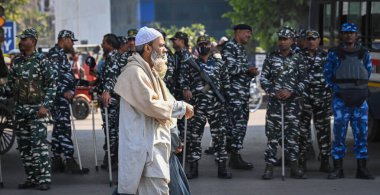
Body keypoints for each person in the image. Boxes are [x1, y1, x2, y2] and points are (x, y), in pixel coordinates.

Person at [114, 26, 194, 194]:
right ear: (148, 48)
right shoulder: (135, 72)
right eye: (161, 45)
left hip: (154, 150)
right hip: (147, 154)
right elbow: (152, 105)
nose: (165, 50)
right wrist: (180, 107)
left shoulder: (148, 70)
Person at [0, 28, 57, 190]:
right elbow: (10, 87)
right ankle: (32, 178)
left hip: (37, 110)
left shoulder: (42, 60)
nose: (21, 42)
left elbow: (52, 85)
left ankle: (44, 179)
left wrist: (45, 106)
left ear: (33, 41)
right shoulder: (17, 62)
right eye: (21, 39)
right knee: (24, 147)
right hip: (20, 110)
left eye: (24, 39)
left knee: (38, 145)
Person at [324, 22, 374, 180]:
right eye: (345, 32)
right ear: (341, 35)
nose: (349, 35)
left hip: (360, 100)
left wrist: (360, 91)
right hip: (341, 101)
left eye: (351, 33)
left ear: (356, 35)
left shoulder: (364, 53)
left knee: (361, 135)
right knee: (339, 135)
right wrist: (339, 90)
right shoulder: (334, 53)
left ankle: (362, 169)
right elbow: (327, 75)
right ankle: (338, 169)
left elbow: (367, 73)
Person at [260, 26, 308, 180]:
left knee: (292, 136)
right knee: (272, 136)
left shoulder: (299, 58)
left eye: (285, 39)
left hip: (292, 104)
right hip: (275, 104)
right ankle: (269, 167)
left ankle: (294, 167)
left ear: (292, 40)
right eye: (280, 38)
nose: (282, 42)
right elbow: (263, 79)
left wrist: (291, 91)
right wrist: (273, 91)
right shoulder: (271, 57)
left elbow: (305, 80)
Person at [183, 35, 232, 179]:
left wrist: (226, 101)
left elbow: (226, 84)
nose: (203, 46)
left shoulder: (219, 64)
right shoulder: (191, 64)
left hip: (216, 107)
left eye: (206, 43)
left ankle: (222, 167)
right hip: (198, 107)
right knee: (194, 137)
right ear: (197, 46)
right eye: (201, 44)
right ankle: (193, 168)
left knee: (219, 137)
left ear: (210, 46)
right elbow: (184, 81)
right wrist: (187, 89)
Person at [48, 30, 89, 174]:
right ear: (64, 39)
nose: (72, 44)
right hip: (59, 98)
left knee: (58, 129)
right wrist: (63, 91)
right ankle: (69, 161)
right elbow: (52, 79)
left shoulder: (60, 54)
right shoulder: (55, 54)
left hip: (62, 97)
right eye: (71, 40)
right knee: (64, 128)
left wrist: (78, 82)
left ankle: (57, 160)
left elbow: (64, 76)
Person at [221, 24, 258, 169]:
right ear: (238, 32)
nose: (249, 35)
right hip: (233, 95)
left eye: (250, 33)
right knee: (235, 126)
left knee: (238, 126)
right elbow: (229, 68)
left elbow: (239, 71)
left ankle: (234, 155)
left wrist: (250, 73)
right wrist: (247, 69)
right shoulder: (230, 47)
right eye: (247, 32)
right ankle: (233, 157)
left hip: (241, 94)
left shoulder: (240, 48)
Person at [298, 30, 332, 173]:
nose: (311, 41)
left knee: (324, 130)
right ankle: (302, 161)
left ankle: (325, 160)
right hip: (304, 99)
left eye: (314, 39)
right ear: (305, 41)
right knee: (302, 131)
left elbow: (332, 78)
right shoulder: (298, 57)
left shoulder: (327, 56)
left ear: (319, 40)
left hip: (322, 99)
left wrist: (330, 98)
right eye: (309, 39)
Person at [97, 33, 121, 170]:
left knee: (111, 131)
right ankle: (112, 158)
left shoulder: (113, 57)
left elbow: (111, 76)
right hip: (113, 98)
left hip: (111, 99)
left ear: (110, 45)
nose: (102, 45)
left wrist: (106, 91)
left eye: (104, 42)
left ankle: (113, 160)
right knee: (112, 130)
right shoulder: (113, 57)